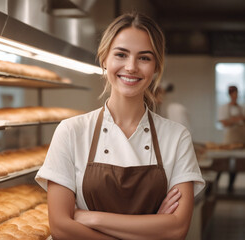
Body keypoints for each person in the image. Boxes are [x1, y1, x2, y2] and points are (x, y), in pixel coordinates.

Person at [35, 12, 205, 240]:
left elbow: (176, 230)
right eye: (121, 55)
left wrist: (92, 218)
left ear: (156, 67)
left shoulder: (176, 137)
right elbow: (61, 227)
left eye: (144, 58)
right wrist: (152, 227)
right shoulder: (71, 131)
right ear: (104, 59)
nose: (131, 67)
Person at [217, 85, 245, 192]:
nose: (235, 95)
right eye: (233, 93)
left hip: (240, 139)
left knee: (236, 165)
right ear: (230, 94)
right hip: (229, 139)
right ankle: (215, 185)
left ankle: (230, 186)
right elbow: (224, 123)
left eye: (236, 93)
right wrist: (237, 119)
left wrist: (234, 119)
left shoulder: (242, 108)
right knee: (223, 163)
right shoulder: (224, 108)